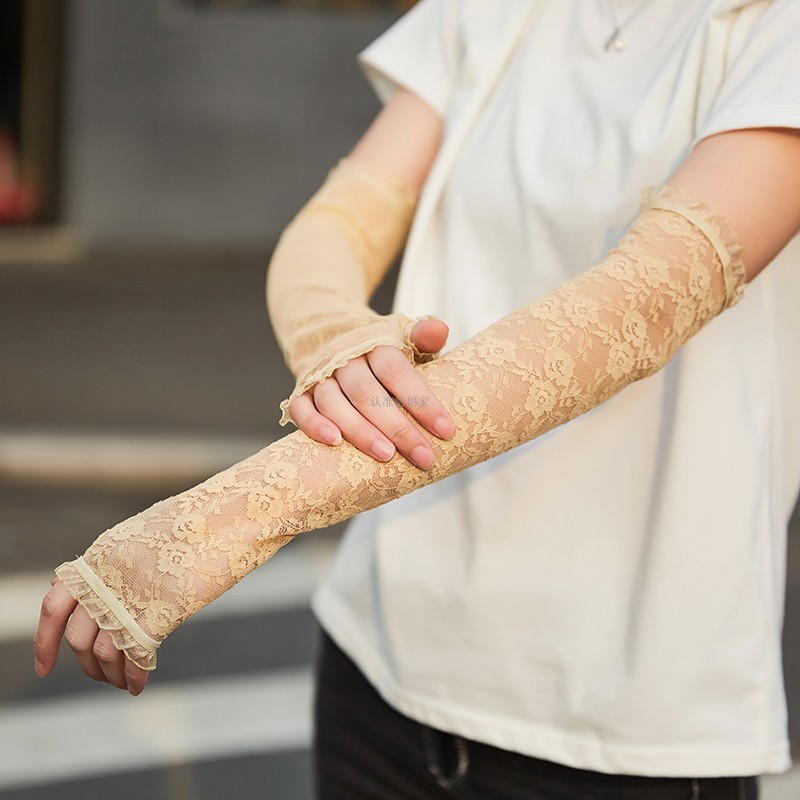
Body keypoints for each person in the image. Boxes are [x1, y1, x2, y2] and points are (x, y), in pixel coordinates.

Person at [35, 1, 800, 798]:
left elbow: (643, 303)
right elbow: (339, 222)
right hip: (381, 662)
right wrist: (336, 338)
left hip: (624, 721)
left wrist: (211, 525)